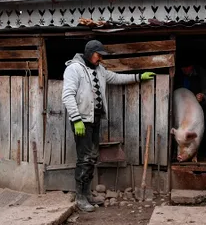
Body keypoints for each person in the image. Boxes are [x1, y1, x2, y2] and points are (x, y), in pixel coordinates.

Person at [62, 40, 155, 212]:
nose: (101, 59)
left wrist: (138, 76)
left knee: (92, 157)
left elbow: (116, 78)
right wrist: (76, 119)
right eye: (99, 55)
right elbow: (67, 95)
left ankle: (88, 194)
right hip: (81, 121)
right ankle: (80, 198)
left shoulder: (100, 70)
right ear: (90, 53)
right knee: (84, 158)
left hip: (94, 119)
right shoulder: (73, 69)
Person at [175, 61, 206, 157]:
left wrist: (203, 95)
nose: (185, 70)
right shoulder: (179, 75)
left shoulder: (201, 73)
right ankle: (185, 152)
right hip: (186, 108)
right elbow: (177, 89)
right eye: (183, 68)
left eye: (187, 67)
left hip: (203, 106)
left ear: (192, 66)